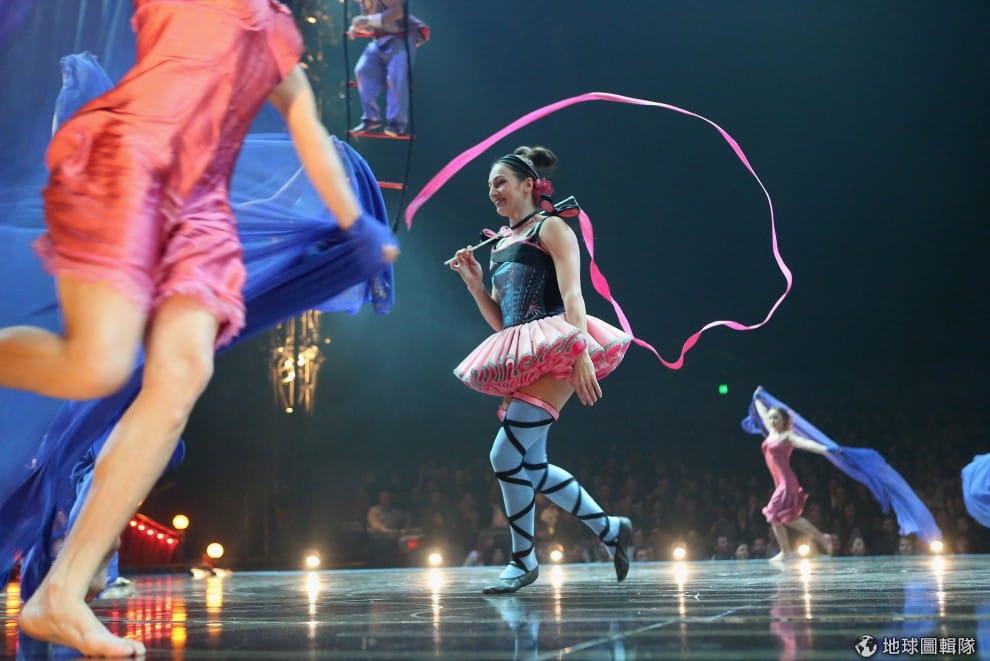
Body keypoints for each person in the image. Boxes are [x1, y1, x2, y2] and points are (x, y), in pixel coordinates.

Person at [0, 1, 397, 655]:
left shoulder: (270, 33)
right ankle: (63, 588)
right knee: (95, 367)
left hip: (199, 214)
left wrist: (359, 225)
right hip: (128, 169)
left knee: (181, 374)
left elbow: (308, 131)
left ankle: (61, 594)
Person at [448, 145, 632, 594]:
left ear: (528, 184)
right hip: (523, 351)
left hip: (557, 347)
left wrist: (579, 352)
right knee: (533, 466)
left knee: (503, 456)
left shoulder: (552, 228)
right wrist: (475, 285)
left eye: (500, 182)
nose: (493, 192)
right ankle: (611, 529)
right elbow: (503, 321)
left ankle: (523, 560)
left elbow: (573, 295)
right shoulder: (498, 245)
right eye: (489, 186)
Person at [751, 389, 835, 561]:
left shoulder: (787, 436)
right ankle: (791, 550)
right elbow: (762, 413)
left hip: (787, 482)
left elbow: (806, 444)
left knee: (777, 515)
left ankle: (809, 543)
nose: (772, 421)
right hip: (780, 482)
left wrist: (825, 449)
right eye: (771, 418)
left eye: (776, 418)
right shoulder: (771, 432)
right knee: (782, 518)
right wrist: (757, 397)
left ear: (784, 420)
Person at [348, 0, 429, 137]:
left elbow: (399, 10)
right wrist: (357, 27)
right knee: (363, 70)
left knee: (396, 77)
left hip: (401, 37)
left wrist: (368, 20)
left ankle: (396, 123)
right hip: (380, 40)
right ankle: (371, 117)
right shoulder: (363, 4)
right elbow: (372, 26)